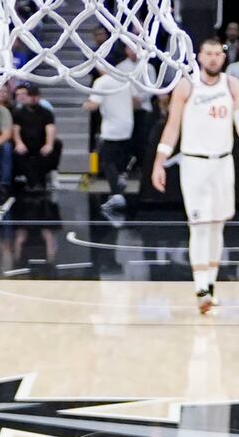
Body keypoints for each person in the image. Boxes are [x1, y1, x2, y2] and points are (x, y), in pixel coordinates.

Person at [153, 36, 238, 315]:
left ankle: (209, 289)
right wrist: (159, 161)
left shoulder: (232, 86)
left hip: (223, 163)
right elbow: (173, 126)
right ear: (200, 57)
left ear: (223, 58)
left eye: (217, 54)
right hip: (194, 164)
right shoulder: (187, 86)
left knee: (217, 227)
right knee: (199, 227)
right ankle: (201, 288)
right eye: (208, 53)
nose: (213, 58)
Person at [82, 67, 139, 216]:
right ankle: (120, 178)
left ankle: (116, 194)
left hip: (112, 128)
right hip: (127, 125)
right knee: (117, 157)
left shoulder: (101, 82)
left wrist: (85, 105)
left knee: (106, 161)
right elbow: (136, 101)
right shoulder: (126, 78)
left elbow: (94, 104)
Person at [10, 84, 59, 193]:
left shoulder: (46, 112)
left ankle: (44, 178)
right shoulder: (18, 112)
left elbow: (50, 128)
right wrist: (18, 143)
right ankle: (32, 182)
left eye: (35, 95)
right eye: (30, 95)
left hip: (40, 142)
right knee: (16, 152)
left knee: (56, 146)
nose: (32, 98)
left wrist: (49, 144)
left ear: (39, 97)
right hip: (25, 143)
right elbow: (15, 129)